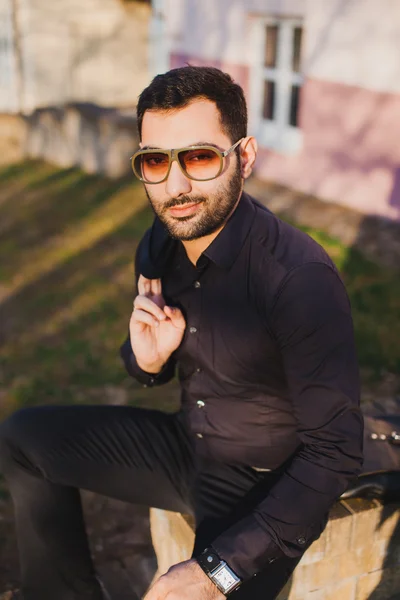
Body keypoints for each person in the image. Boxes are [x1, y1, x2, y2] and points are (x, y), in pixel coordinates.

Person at [0, 66, 364, 600]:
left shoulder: (297, 279)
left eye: (199, 156)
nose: (175, 186)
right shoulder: (159, 246)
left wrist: (216, 573)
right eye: (154, 161)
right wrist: (147, 362)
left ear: (245, 156)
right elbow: (146, 358)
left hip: (263, 480)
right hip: (187, 444)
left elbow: (333, 451)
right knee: (23, 438)